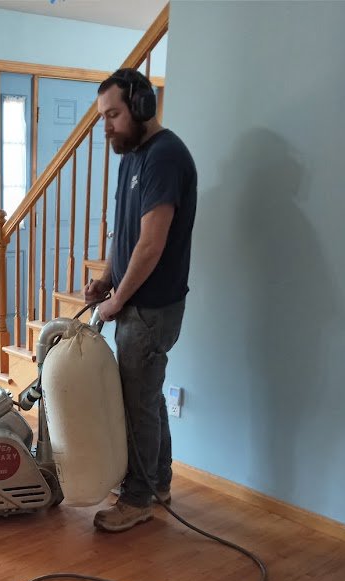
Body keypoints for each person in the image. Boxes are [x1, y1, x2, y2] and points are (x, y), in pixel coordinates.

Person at [85, 68, 197, 532]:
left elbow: (152, 244)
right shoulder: (131, 155)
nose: (106, 126)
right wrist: (107, 279)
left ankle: (137, 500)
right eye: (102, 117)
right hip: (134, 299)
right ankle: (158, 484)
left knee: (137, 402)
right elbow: (126, 234)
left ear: (142, 106)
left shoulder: (166, 156)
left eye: (113, 114)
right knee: (146, 398)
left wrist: (115, 303)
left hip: (152, 308)